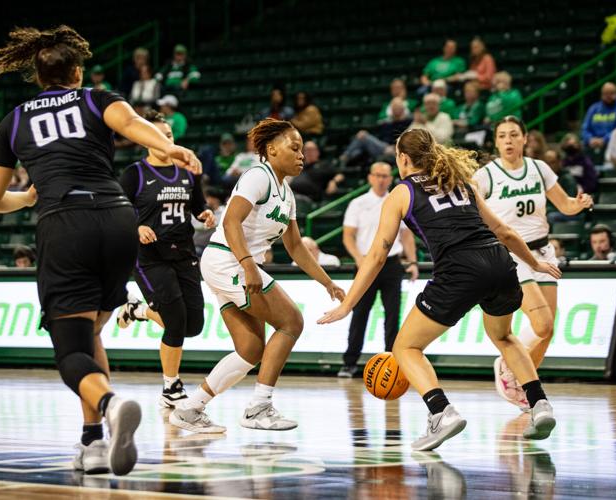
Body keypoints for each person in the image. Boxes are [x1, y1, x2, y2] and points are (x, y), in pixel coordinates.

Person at [0, 25, 200, 476]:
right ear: (77, 71)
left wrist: (24, 198)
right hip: (119, 221)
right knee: (93, 332)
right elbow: (135, 126)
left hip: (65, 224)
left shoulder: (15, 120)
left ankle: (110, 403)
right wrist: (171, 147)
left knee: (69, 350)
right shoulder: (96, 98)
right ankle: (93, 443)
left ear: (38, 77)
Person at [319, 128, 561, 450]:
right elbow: (503, 231)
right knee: (504, 336)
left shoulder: (401, 193)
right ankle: (539, 403)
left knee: (405, 347)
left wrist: (348, 303)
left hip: (460, 270)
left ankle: (440, 411)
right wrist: (536, 262)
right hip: (500, 263)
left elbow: (377, 255)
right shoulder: (460, 182)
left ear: (403, 158)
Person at [169, 118, 345, 433]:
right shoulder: (257, 177)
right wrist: (249, 264)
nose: (301, 155)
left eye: (303, 149)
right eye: (295, 147)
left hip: (229, 263)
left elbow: (295, 247)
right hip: (230, 261)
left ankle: (190, 409)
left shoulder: (286, 194)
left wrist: (327, 281)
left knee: (250, 350)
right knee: (292, 322)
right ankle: (259, 407)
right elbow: (230, 222)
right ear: (271, 149)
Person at [474, 116, 592, 410]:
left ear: (525, 138)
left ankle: (522, 379)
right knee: (542, 323)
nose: (509, 140)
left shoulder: (539, 169)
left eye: (514, 134)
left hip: (543, 251)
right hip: (511, 254)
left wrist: (577, 205)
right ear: (496, 142)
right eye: (502, 136)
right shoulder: (487, 175)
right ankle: (507, 363)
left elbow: (564, 204)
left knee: (547, 331)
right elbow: (471, 210)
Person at [115, 110, 216, 409]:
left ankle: (138, 311)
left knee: (193, 325)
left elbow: (197, 204)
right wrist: (136, 225)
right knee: (175, 322)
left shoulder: (187, 171)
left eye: (169, 135)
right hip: (149, 258)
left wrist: (204, 213)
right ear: (145, 140)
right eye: (159, 135)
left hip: (184, 253)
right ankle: (170, 387)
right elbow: (117, 209)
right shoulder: (135, 173)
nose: (166, 140)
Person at [338, 161, 418, 378]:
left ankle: (393, 362)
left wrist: (412, 262)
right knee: (359, 313)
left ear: (390, 178)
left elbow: (406, 235)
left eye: (385, 175)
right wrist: (359, 259)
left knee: (393, 315)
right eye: (378, 175)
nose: (382, 179)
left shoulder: (397, 199)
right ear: (370, 178)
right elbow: (348, 236)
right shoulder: (358, 203)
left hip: (392, 263)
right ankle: (350, 362)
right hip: (366, 263)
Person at [340, 98, 413, 167]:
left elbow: (407, 141)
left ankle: (346, 157)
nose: (395, 110)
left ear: (403, 108)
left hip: (396, 151)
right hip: (382, 148)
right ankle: (346, 156)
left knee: (361, 144)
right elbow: (378, 137)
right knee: (362, 136)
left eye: (397, 107)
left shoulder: (409, 122)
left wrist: (395, 148)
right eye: (394, 108)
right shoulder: (386, 123)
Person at [581, 82, 616, 155]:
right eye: (605, 94)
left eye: (611, 93)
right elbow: (585, 128)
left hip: (614, 143)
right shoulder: (594, 108)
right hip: (592, 143)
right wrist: (590, 139)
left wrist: (604, 140)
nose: (608, 96)